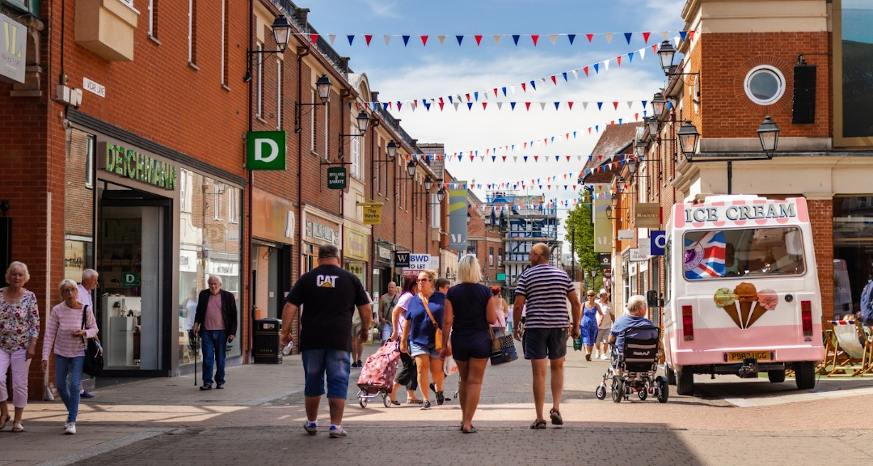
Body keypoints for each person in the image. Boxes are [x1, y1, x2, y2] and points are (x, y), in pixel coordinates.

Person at [280, 244, 371, 438]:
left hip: (312, 339)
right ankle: (334, 426)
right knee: (338, 381)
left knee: (312, 380)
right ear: (338, 258)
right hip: (339, 339)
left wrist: (285, 332)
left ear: (317, 258)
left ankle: (312, 423)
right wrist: (364, 330)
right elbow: (366, 309)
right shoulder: (350, 279)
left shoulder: (307, 278)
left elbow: (289, 306)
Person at [512, 243, 581, 430]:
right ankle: (556, 407)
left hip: (536, 328)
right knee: (557, 367)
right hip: (558, 327)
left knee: (539, 373)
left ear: (537, 255)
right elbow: (575, 302)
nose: (528, 257)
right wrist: (576, 326)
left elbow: (518, 305)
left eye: (530, 254)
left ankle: (540, 417)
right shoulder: (562, 275)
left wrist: (516, 326)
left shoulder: (526, 275)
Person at [440, 255, 497, 434]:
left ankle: (463, 419)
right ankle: (467, 423)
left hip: (460, 340)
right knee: (475, 382)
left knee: (463, 380)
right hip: (480, 340)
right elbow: (491, 319)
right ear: (477, 270)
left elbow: (447, 321)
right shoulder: (485, 291)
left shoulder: (452, 292)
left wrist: (443, 345)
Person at [41, 279, 98, 435]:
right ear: (62, 294)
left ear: (77, 292)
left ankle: (72, 421)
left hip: (79, 351)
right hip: (61, 352)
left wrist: (84, 333)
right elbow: (50, 334)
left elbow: (94, 328)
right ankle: (72, 411)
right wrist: (45, 356)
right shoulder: (57, 310)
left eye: (73, 290)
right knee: (60, 386)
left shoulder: (85, 309)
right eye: (67, 290)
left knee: (74, 385)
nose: (71, 293)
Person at [0, 262, 40, 433]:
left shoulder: (29, 297)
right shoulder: (0, 295)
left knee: (18, 384)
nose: (17, 277)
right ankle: (4, 412)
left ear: (25, 278)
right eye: (14, 274)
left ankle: (18, 419)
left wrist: (32, 345)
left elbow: (34, 323)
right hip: (1, 345)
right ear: (8, 276)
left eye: (20, 275)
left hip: (22, 346)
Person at [400, 269, 445, 410]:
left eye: (423, 280)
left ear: (431, 282)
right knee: (421, 368)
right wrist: (403, 340)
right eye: (418, 280)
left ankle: (439, 390)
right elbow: (407, 321)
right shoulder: (413, 300)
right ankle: (426, 399)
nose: (420, 283)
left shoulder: (441, 298)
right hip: (418, 340)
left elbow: (450, 318)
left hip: (437, 340)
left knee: (437, 372)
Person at [192, 275, 238, 390]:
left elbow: (233, 315)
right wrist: (196, 323)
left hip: (222, 331)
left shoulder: (228, 296)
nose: (212, 286)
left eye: (215, 284)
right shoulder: (203, 295)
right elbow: (199, 312)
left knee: (220, 358)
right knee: (207, 357)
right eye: (211, 284)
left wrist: (232, 332)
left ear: (220, 285)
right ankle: (207, 382)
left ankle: (220, 381)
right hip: (207, 331)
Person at [388, 276, 422, 405]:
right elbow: (395, 312)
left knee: (415, 364)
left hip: (410, 335)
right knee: (410, 365)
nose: (420, 285)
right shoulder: (408, 297)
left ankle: (411, 394)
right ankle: (392, 389)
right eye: (418, 282)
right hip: (405, 336)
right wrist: (396, 331)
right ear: (413, 284)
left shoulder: (412, 296)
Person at [76, 269, 99, 399]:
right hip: (81, 332)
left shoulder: (88, 293)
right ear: (86, 280)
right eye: (94, 280)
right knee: (79, 361)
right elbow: (80, 314)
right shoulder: (79, 292)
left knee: (84, 360)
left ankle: (80, 389)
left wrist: (93, 333)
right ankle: (79, 390)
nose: (96, 282)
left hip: (88, 331)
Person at [580, 290, 602, 361]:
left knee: (592, 339)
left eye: (591, 295)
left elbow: (601, 314)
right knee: (586, 337)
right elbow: (580, 314)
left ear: (594, 297)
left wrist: (600, 321)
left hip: (593, 324)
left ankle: (589, 354)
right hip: (584, 323)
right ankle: (587, 353)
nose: (589, 297)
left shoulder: (596, 305)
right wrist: (578, 323)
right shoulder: (583, 304)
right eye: (588, 295)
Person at [595, 289, 614, 360]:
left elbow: (612, 315)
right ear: (599, 296)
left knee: (605, 341)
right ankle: (598, 350)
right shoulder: (596, 303)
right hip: (597, 326)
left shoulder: (609, 305)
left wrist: (614, 323)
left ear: (606, 296)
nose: (603, 297)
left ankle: (604, 354)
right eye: (601, 295)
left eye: (604, 295)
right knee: (597, 341)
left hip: (607, 326)